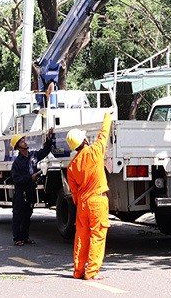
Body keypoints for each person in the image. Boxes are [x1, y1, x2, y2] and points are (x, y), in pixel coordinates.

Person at [66, 110, 112, 281]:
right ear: (85, 140)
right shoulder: (94, 152)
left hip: (83, 203)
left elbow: (74, 192)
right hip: (97, 200)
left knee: (81, 237)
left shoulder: (71, 166)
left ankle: (78, 271)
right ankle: (91, 272)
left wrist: (81, 203)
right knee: (97, 235)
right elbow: (104, 134)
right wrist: (108, 116)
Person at [10, 128, 55, 246]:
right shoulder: (17, 163)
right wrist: (30, 178)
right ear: (18, 147)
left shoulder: (33, 156)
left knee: (28, 214)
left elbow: (45, 151)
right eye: (22, 142)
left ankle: (25, 237)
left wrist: (49, 139)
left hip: (30, 190)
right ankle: (17, 238)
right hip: (21, 191)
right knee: (18, 214)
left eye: (24, 140)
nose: (25, 143)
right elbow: (16, 180)